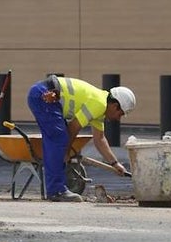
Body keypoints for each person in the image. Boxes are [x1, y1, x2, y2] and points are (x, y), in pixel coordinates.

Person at [27, 73, 135, 202]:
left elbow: (100, 139)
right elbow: (73, 127)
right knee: (58, 139)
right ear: (115, 105)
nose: (118, 118)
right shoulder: (99, 103)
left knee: (58, 139)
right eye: (120, 114)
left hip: (45, 94)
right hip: (46, 95)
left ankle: (56, 188)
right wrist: (65, 153)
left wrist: (115, 163)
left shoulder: (100, 110)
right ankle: (56, 191)